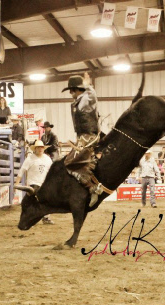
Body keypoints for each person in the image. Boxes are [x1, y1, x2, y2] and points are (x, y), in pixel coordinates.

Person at [62, 72, 101, 207]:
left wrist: (88, 85)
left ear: (75, 89)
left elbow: (92, 96)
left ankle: (92, 187)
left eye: (72, 90)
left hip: (89, 135)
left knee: (69, 162)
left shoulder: (85, 99)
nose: (70, 93)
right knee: (70, 162)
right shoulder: (78, 102)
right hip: (83, 136)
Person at [15, 140, 54, 224]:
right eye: (38, 147)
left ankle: (45, 217)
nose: (40, 149)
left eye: (42, 147)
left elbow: (52, 171)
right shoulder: (30, 159)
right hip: (33, 184)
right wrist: (16, 184)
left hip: (44, 184)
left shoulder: (47, 159)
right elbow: (21, 171)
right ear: (35, 149)